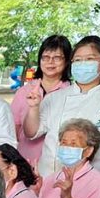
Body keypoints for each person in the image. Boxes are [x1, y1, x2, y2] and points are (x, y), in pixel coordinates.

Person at [23, 35, 100, 183]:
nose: (83, 64)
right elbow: (31, 133)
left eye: (90, 59)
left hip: (93, 184)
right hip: (50, 179)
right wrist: (34, 108)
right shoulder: (55, 97)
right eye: (78, 60)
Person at [12, 35, 72, 164]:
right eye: (45, 57)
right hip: (25, 163)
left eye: (57, 57)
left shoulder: (72, 93)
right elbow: (14, 129)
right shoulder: (24, 92)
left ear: (67, 61)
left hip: (58, 165)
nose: (50, 62)